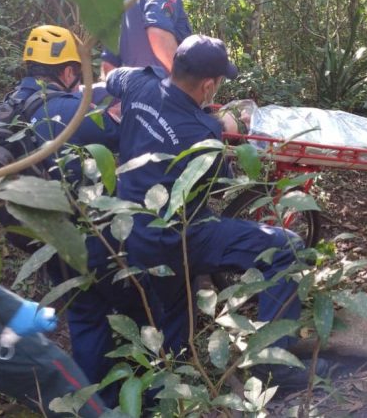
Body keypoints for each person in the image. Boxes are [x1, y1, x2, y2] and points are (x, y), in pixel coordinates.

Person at [106, 34, 330, 388]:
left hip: (128, 228)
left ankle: (172, 377)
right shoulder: (203, 131)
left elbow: (111, 76)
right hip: (177, 235)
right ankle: (274, 365)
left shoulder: (138, 83)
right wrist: (226, 128)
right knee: (287, 247)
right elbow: (222, 185)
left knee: (175, 318)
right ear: (209, 85)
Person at [0, 49, 106, 417]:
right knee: (54, 375)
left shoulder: (10, 106)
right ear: (68, 72)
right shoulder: (55, 106)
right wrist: (8, 307)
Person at [0, 25, 145, 406]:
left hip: (39, 235)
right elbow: (127, 135)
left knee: (85, 316)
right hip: (86, 234)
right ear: (69, 71)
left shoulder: (5, 108)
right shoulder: (69, 112)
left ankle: (95, 403)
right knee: (142, 302)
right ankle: (149, 394)